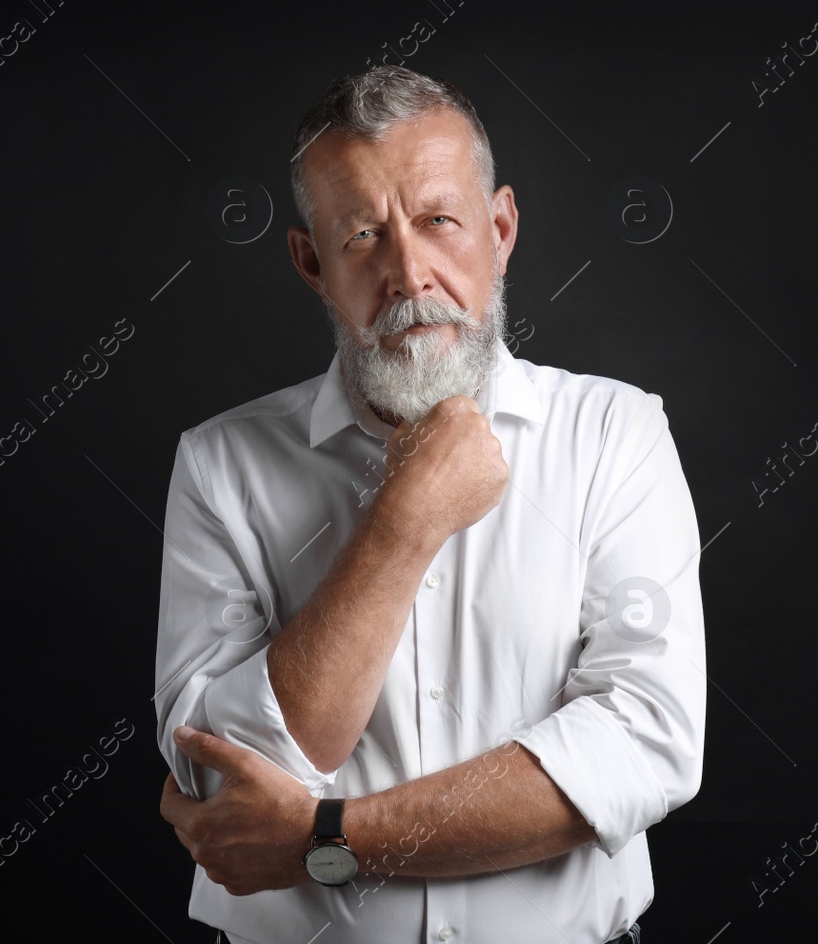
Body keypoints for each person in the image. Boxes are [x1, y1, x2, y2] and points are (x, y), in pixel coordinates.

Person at [153, 65, 706, 944]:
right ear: (312, 264)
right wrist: (402, 523)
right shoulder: (221, 464)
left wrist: (319, 843)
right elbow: (225, 784)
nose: (409, 272)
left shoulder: (616, 435)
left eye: (439, 221)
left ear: (499, 228)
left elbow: (643, 745)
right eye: (363, 234)